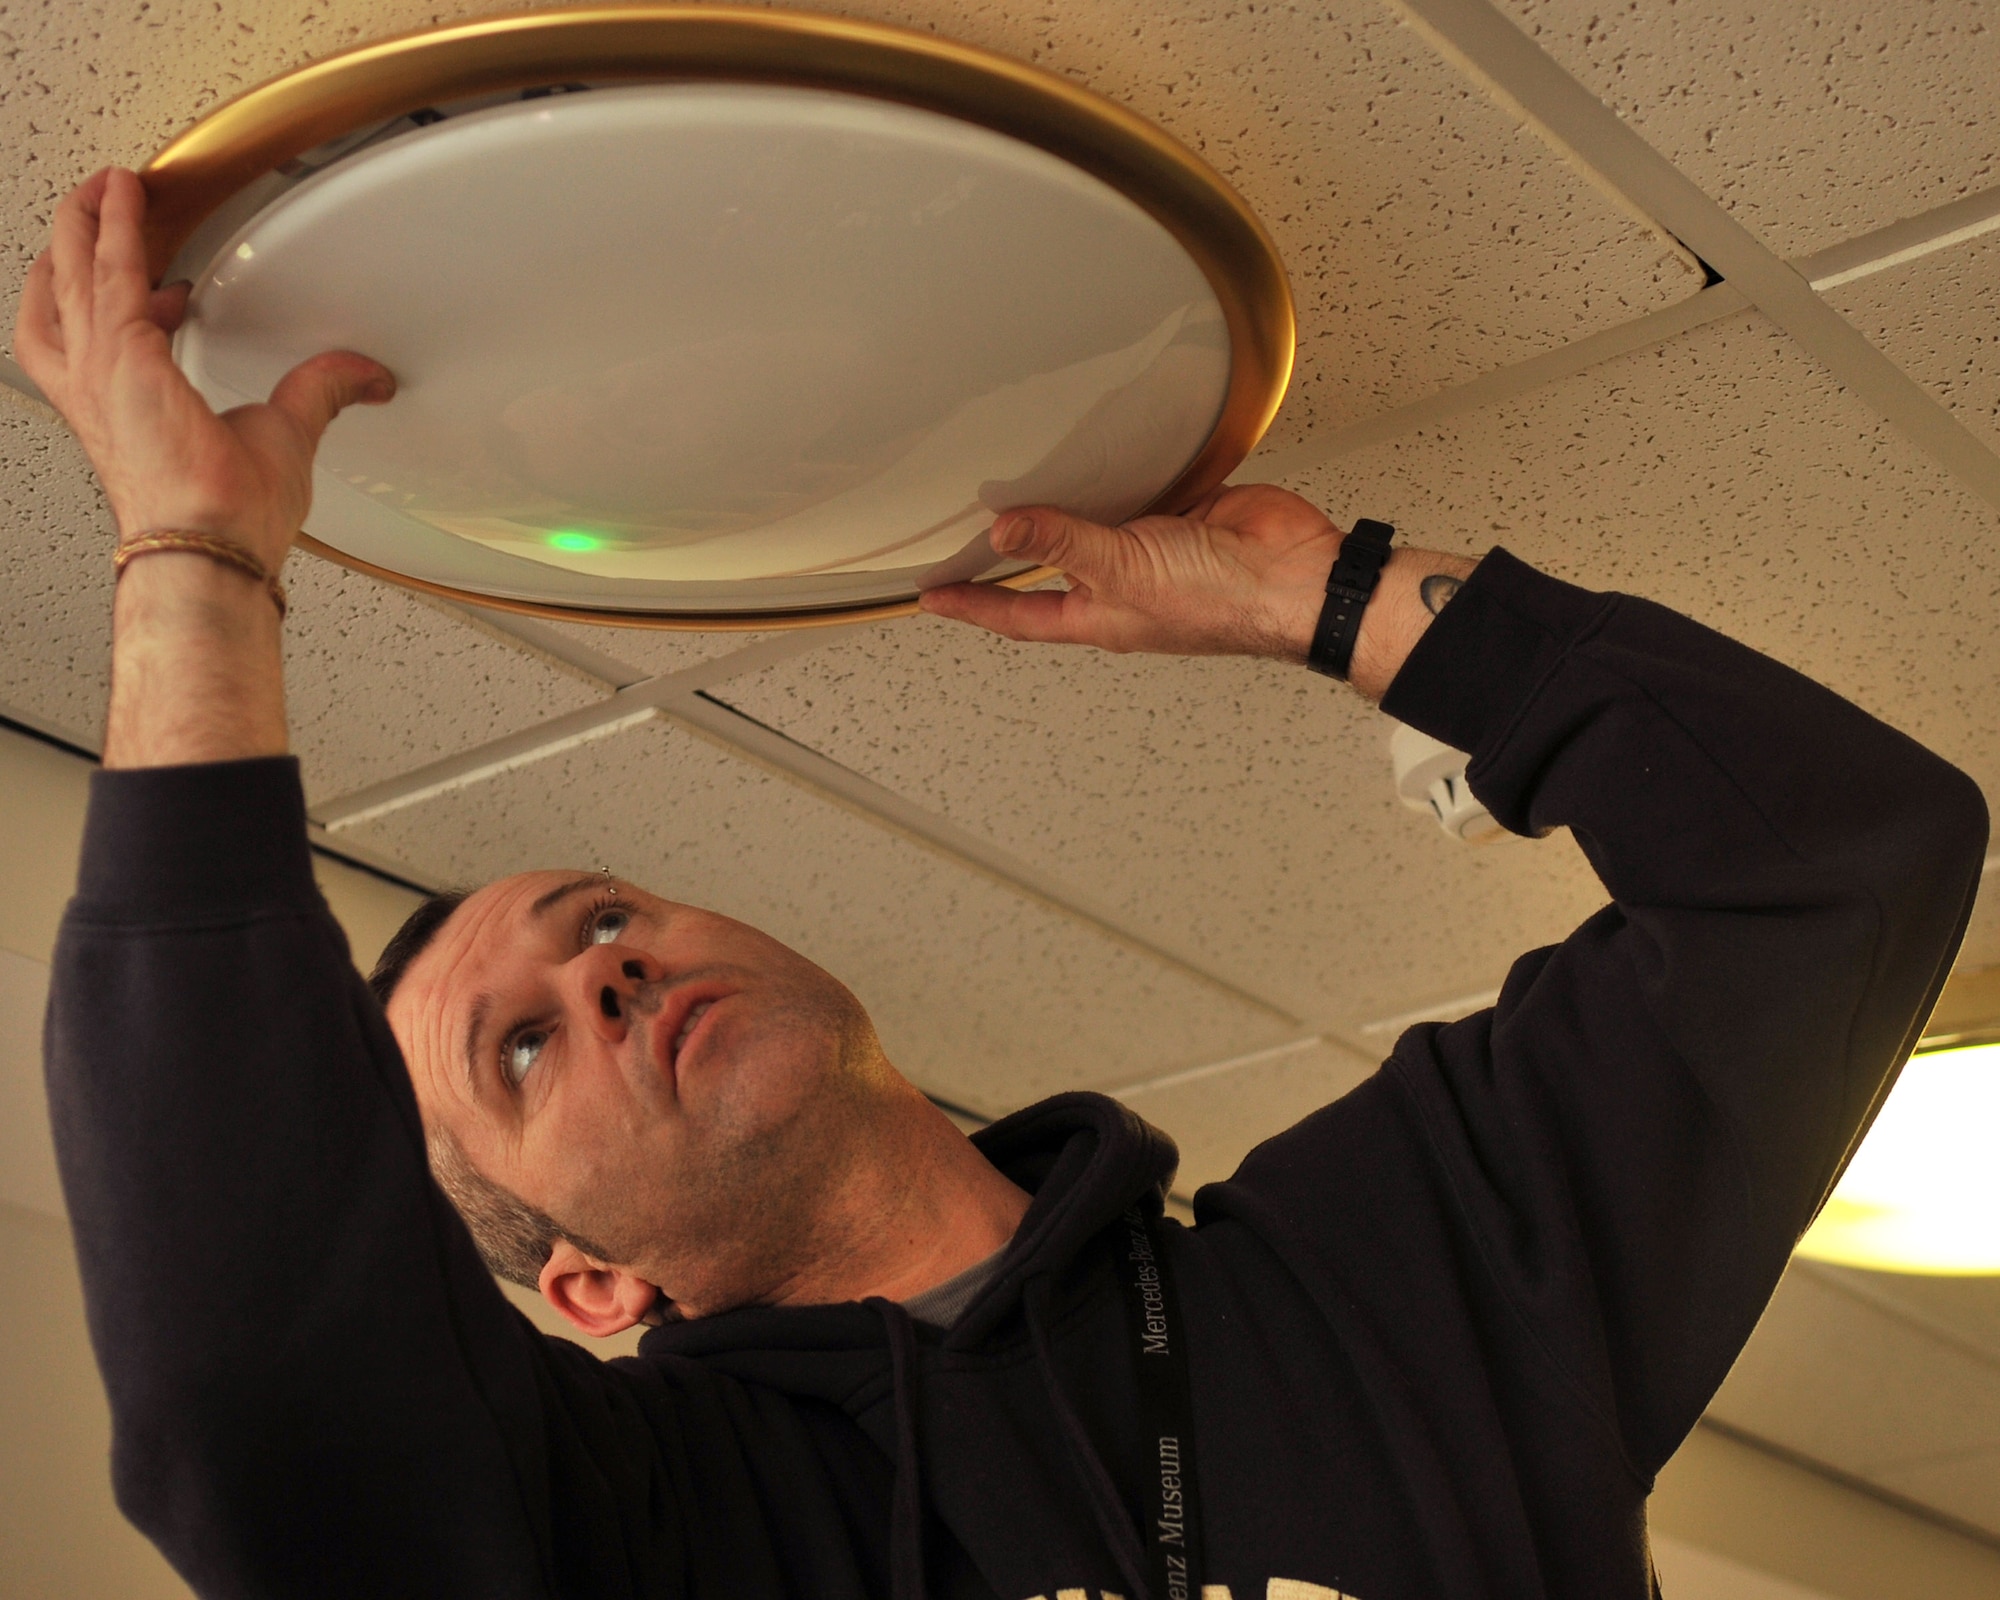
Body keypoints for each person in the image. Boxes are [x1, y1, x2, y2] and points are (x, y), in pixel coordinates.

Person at [21, 166, 1986, 1600]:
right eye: (523, 1050)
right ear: (586, 1283)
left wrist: (1329, 595)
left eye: (605, 918)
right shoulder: (634, 1532)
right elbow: (246, 1368)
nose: (605, 978)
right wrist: (195, 560)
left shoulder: (1398, 1280)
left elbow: (1827, 864)